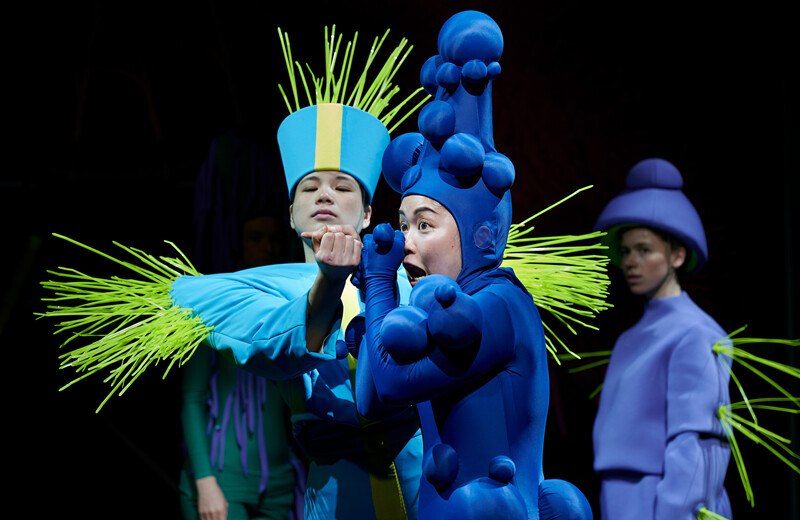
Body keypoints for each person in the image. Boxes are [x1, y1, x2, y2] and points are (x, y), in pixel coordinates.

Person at [350, 10, 593, 520]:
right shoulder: (430, 313)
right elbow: (373, 400)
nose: (406, 244)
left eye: (425, 225)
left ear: (479, 234)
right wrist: (384, 294)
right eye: (403, 224)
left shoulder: (499, 306)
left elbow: (394, 383)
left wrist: (377, 281)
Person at [590, 157, 733, 519]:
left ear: (677, 255)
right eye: (625, 252)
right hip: (620, 502)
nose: (631, 263)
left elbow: (697, 448)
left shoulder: (696, 333)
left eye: (644, 250)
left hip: (665, 504)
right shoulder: (629, 339)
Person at [178, 131, 305, 520]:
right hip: (223, 481)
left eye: (272, 238)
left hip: (280, 481)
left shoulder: (289, 305)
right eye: (255, 237)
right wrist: (204, 479)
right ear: (239, 241)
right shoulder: (213, 306)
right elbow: (192, 397)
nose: (266, 246)